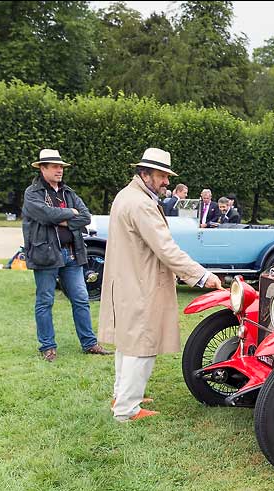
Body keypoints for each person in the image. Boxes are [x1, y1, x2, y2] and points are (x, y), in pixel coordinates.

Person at [98, 148, 222, 422]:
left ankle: (123, 395)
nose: (166, 181)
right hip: (141, 283)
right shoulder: (141, 203)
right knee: (142, 345)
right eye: (162, 175)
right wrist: (202, 276)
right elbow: (166, 249)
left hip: (128, 279)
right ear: (145, 173)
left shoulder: (127, 195)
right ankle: (126, 410)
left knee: (127, 342)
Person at [21, 149, 112, 361]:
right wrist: (70, 214)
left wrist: (62, 218)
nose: (59, 170)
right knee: (45, 301)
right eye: (54, 166)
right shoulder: (32, 193)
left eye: (61, 166)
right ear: (42, 168)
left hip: (71, 254)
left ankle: (89, 344)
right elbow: (44, 215)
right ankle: (47, 347)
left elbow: (86, 217)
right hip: (46, 254)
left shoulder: (68, 193)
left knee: (81, 299)